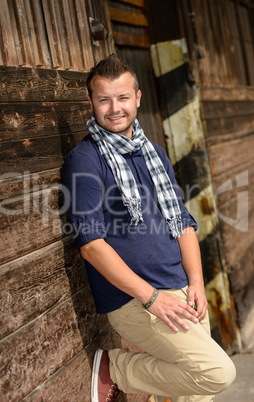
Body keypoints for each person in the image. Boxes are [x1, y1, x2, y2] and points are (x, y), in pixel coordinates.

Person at [61, 54, 236, 402]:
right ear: (90, 102)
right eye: (104, 99)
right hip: (138, 300)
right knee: (217, 373)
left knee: (196, 396)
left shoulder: (153, 153)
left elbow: (183, 224)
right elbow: (91, 245)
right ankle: (116, 369)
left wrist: (197, 283)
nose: (115, 108)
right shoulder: (85, 160)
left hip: (183, 290)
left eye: (123, 97)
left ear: (137, 98)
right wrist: (151, 297)